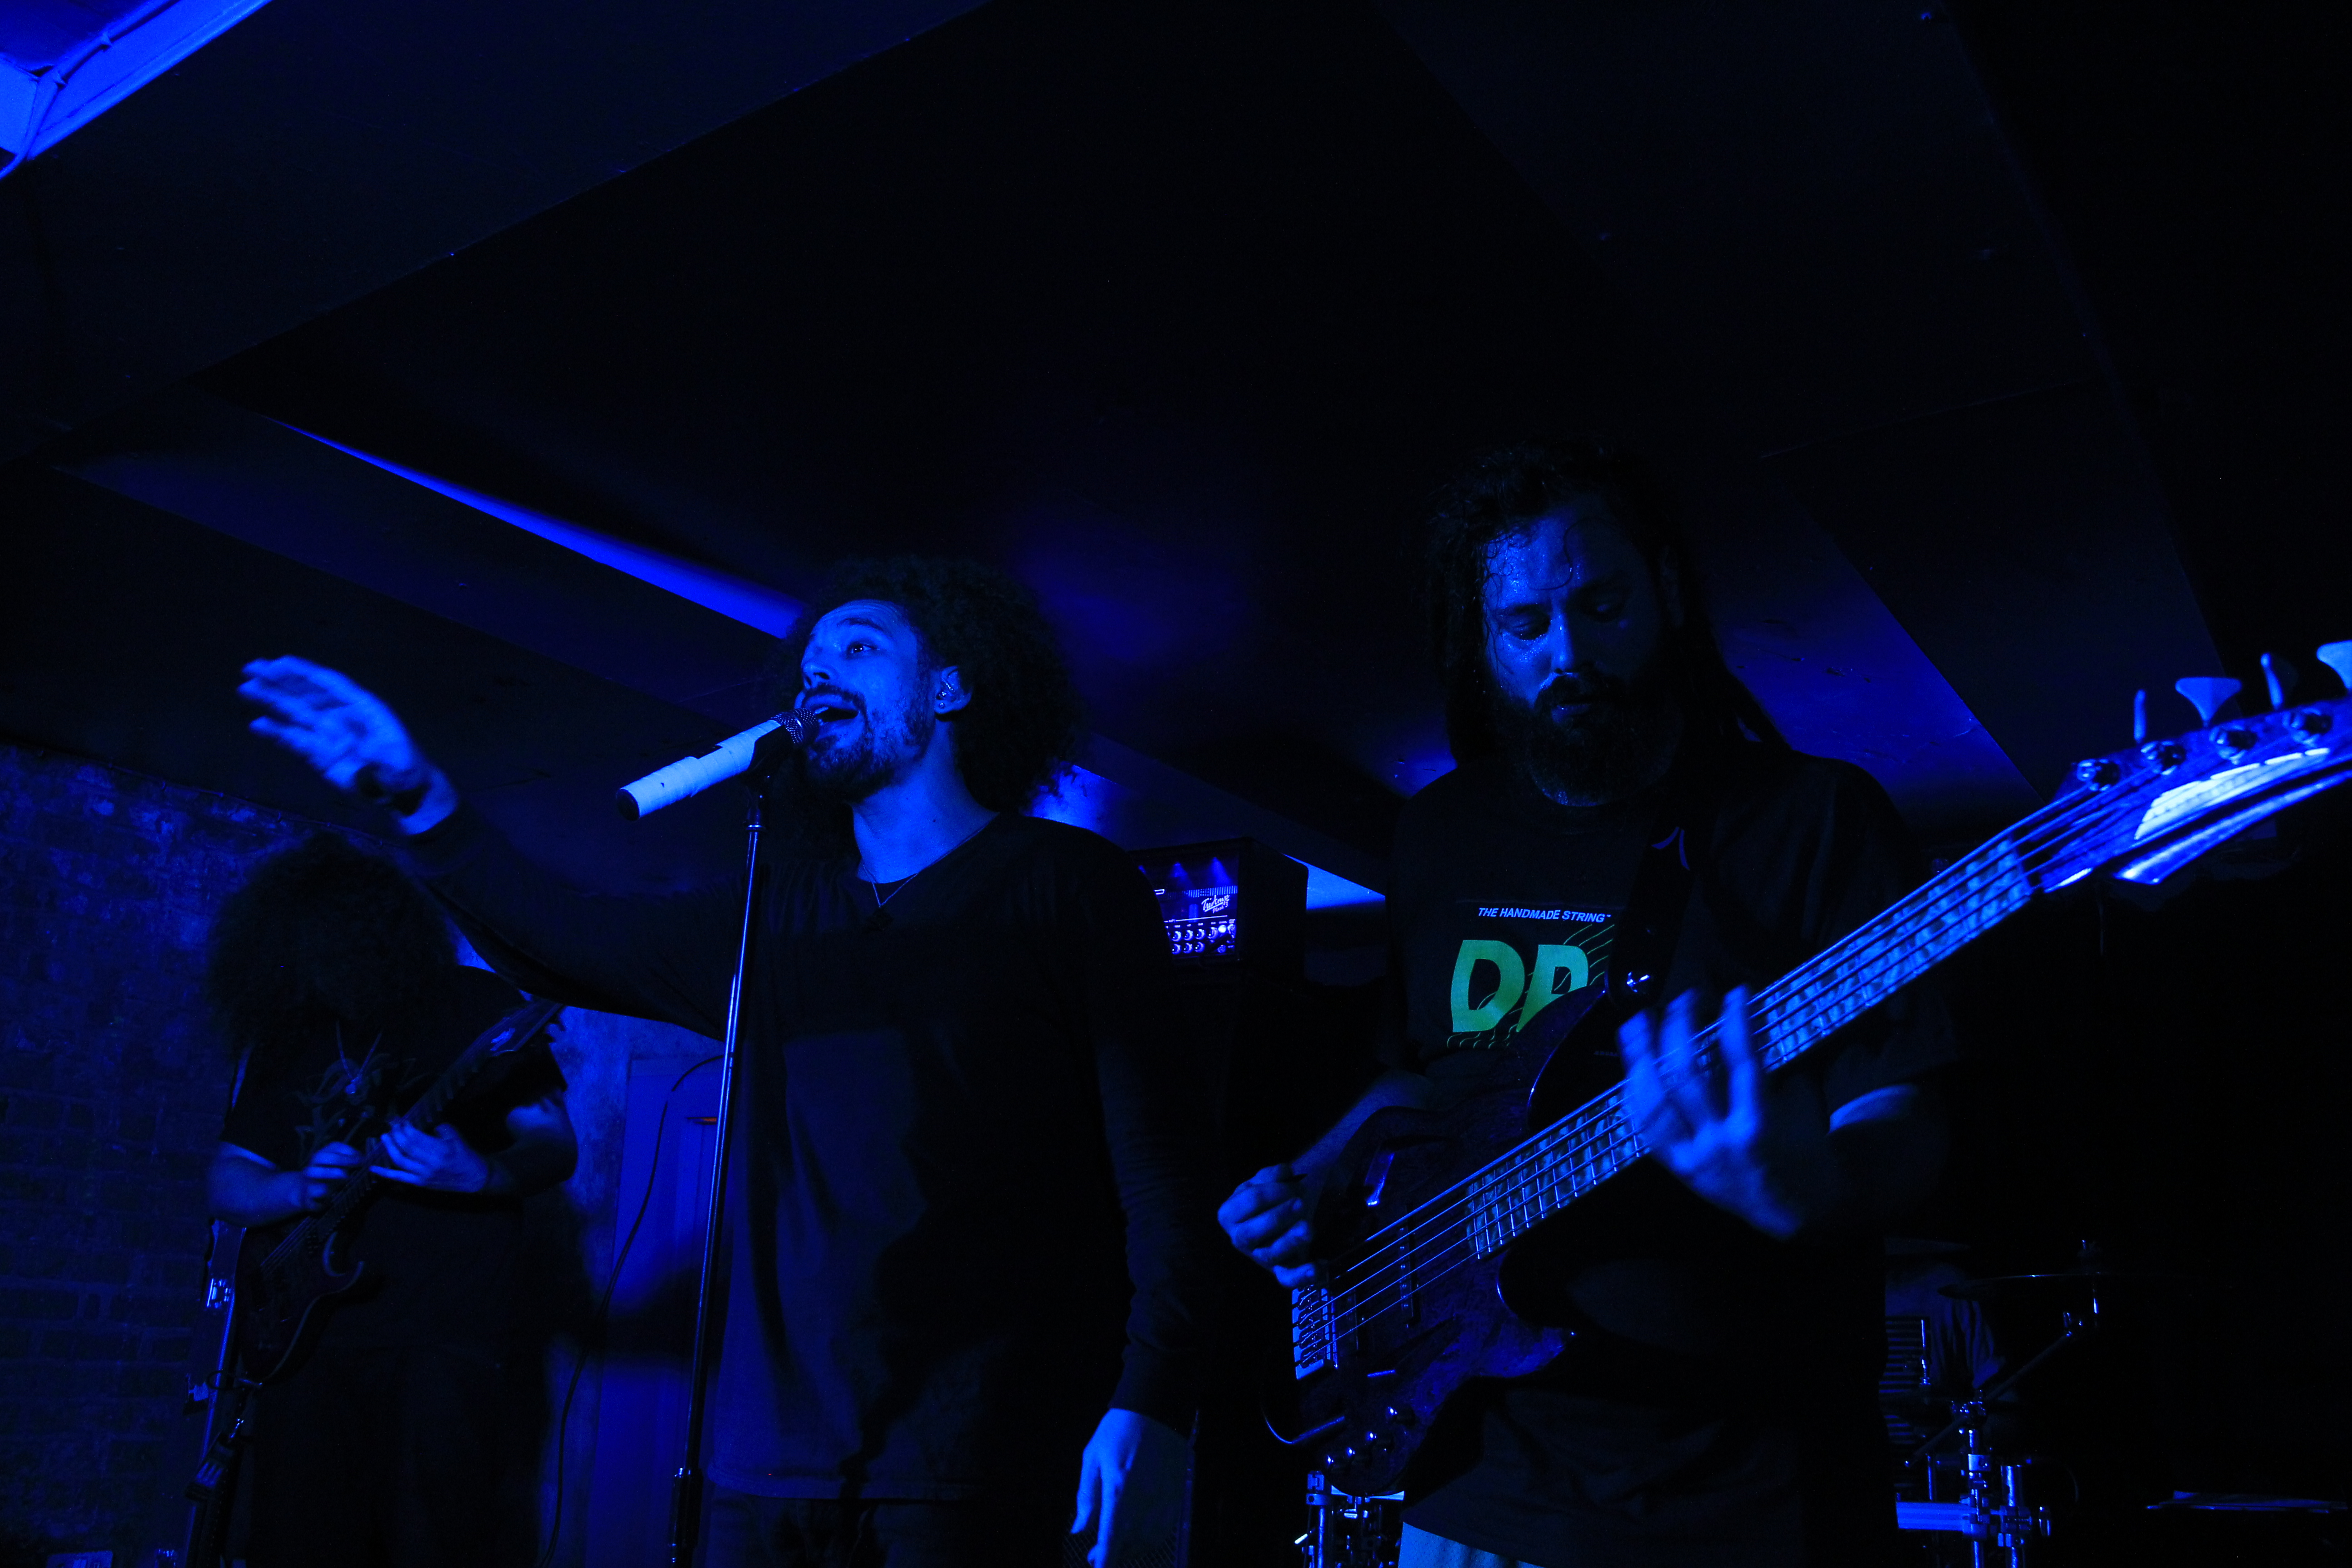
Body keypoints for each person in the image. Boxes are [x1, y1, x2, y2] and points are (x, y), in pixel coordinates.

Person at [238, 555, 1220, 1568]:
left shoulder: (1065, 885)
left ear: (950, 688)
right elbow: (559, 939)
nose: (820, 670)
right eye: (811, 658)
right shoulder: (770, 913)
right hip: (758, 1463)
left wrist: (1154, 1397)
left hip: (975, 1449)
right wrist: (419, 797)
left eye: (861, 647)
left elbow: (1163, 1171)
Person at [1219, 440, 1956, 1568]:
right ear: (1483, 642)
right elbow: (1426, 1076)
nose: (1570, 655)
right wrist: (1317, 1176)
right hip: (1471, 1481)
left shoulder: (1812, 819)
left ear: (1665, 594)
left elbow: (1905, 1102)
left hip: (1744, 1492)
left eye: (1602, 606)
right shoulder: (1440, 830)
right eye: (1526, 626)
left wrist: (1813, 1186)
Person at [205, 831, 578, 1568]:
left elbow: (554, 1144)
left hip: (445, 1335)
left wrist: (482, 1174)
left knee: (430, 1544)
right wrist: (295, 1187)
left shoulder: (476, 1005)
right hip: (305, 1341)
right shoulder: (291, 1037)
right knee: (293, 1545)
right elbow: (227, 1178)